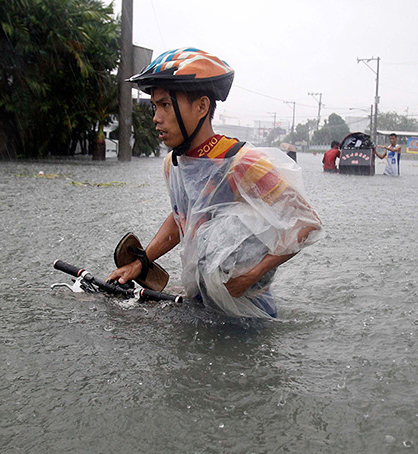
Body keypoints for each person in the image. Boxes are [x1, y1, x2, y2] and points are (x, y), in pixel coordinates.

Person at [107, 47, 323, 318]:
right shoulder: (173, 163)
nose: (156, 117)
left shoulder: (242, 162)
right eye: (154, 106)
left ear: (201, 107)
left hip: (248, 312)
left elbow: (307, 223)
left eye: (165, 104)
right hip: (201, 300)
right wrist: (142, 261)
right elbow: (182, 217)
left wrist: (250, 275)